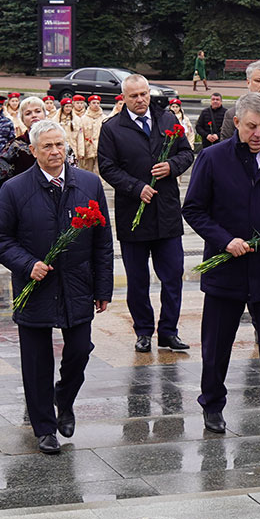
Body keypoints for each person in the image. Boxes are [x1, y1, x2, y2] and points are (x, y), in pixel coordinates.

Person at [183, 92, 260, 449]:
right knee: (216, 346)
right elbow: (193, 209)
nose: (258, 134)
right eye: (251, 126)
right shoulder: (212, 158)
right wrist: (225, 240)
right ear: (237, 122)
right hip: (227, 270)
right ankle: (212, 403)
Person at [0, 119, 114, 454]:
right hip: (35, 286)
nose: (56, 151)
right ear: (33, 150)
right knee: (36, 361)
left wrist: (103, 288)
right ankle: (44, 427)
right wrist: (27, 264)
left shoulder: (89, 183)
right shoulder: (15, 189)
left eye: (60, 145)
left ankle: (65, 398)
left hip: (77, 284)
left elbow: (103, 241)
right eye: (47, 146)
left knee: (79, 351)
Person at [97, 75, 194, 354]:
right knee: (138, 281)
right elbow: (107, 167)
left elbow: (187, 153)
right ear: (123, 98)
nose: (140, 100)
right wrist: (135, 187)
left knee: (173, 276)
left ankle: (169, 332)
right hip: (133, 216)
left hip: (166, 214)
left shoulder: (167, 119)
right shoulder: (112, 128)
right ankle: (143, 331)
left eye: (144, 94)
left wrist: (172, 166)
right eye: (134, 96)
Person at [74, 95, 104, 173]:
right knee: (86, 171)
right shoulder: (83, 119)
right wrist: (81, 151)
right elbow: (80, 136)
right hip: (87, 149)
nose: (96, 105)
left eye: (98, 103)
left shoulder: (104, 118)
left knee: (100, 171)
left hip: (100, 149)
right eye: (93, 103)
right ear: (89, 104)